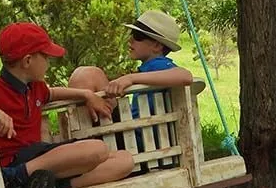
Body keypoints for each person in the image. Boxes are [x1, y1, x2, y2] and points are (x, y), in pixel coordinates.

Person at [0, 22, 134, 188]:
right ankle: (14, 179)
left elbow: (52, 93)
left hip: (40, 160)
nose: (49, 61)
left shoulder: (35, 88)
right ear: (28, 61)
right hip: (13, 162)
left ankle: (47, 187)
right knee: (96, 150)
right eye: (45, 56)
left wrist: (86, 95)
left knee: (124, 161)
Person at [68, 10, 195, 159]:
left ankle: (80, 149)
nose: (130, 40)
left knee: (88, 74)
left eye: (137, 36)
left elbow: (186, 76)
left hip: (136, 140)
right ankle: (81, 146)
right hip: (134, 135)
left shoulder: (158, 65)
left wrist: (131, 78)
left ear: (156, 46)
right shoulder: (151, 68)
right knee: (86, 74)